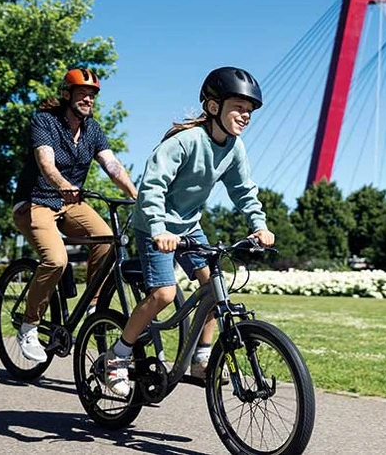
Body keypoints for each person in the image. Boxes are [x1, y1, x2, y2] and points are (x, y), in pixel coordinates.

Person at [103, 66, 275, 396]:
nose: (245, 115)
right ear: (214, 107)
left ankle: (201, 359)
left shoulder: (234, 148)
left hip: (189, 226)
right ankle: (118, 354)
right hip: (155, 225)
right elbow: (152, 186)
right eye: (238, 107)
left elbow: (243, 190)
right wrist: (158, 229)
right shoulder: (185, 142)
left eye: (249, 110)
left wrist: (259, 225)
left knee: (215, 286)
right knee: (164, 294)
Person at [13, 67, 138, 363]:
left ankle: (93, 306)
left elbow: (112, 165)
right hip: (36, 201)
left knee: (107, 240)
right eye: (83, 93)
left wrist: (136, 195)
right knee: (56, 260)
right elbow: (46, 163)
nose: (89, 99)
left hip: (71, 203)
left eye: (92, 95)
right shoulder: (44, 121)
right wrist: (64, 185)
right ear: (67, 95)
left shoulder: (92, 129)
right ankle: (29, 325)